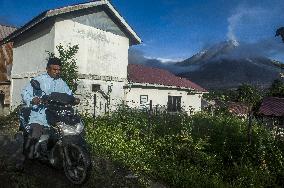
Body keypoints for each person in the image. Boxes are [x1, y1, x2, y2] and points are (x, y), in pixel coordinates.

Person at [21, 57, 76, 158]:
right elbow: (25, 93)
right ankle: (24, 161)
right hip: (40, 115)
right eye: (54, 69)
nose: (57, 72)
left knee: (64, 134)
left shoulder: (62, 82)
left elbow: (69, 94)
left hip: (56, 116)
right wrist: (33, 99)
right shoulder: (39, 80)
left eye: (59, 69)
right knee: (34, 136)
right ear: (47, 69)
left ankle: (53, 153)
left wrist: (74, 99)